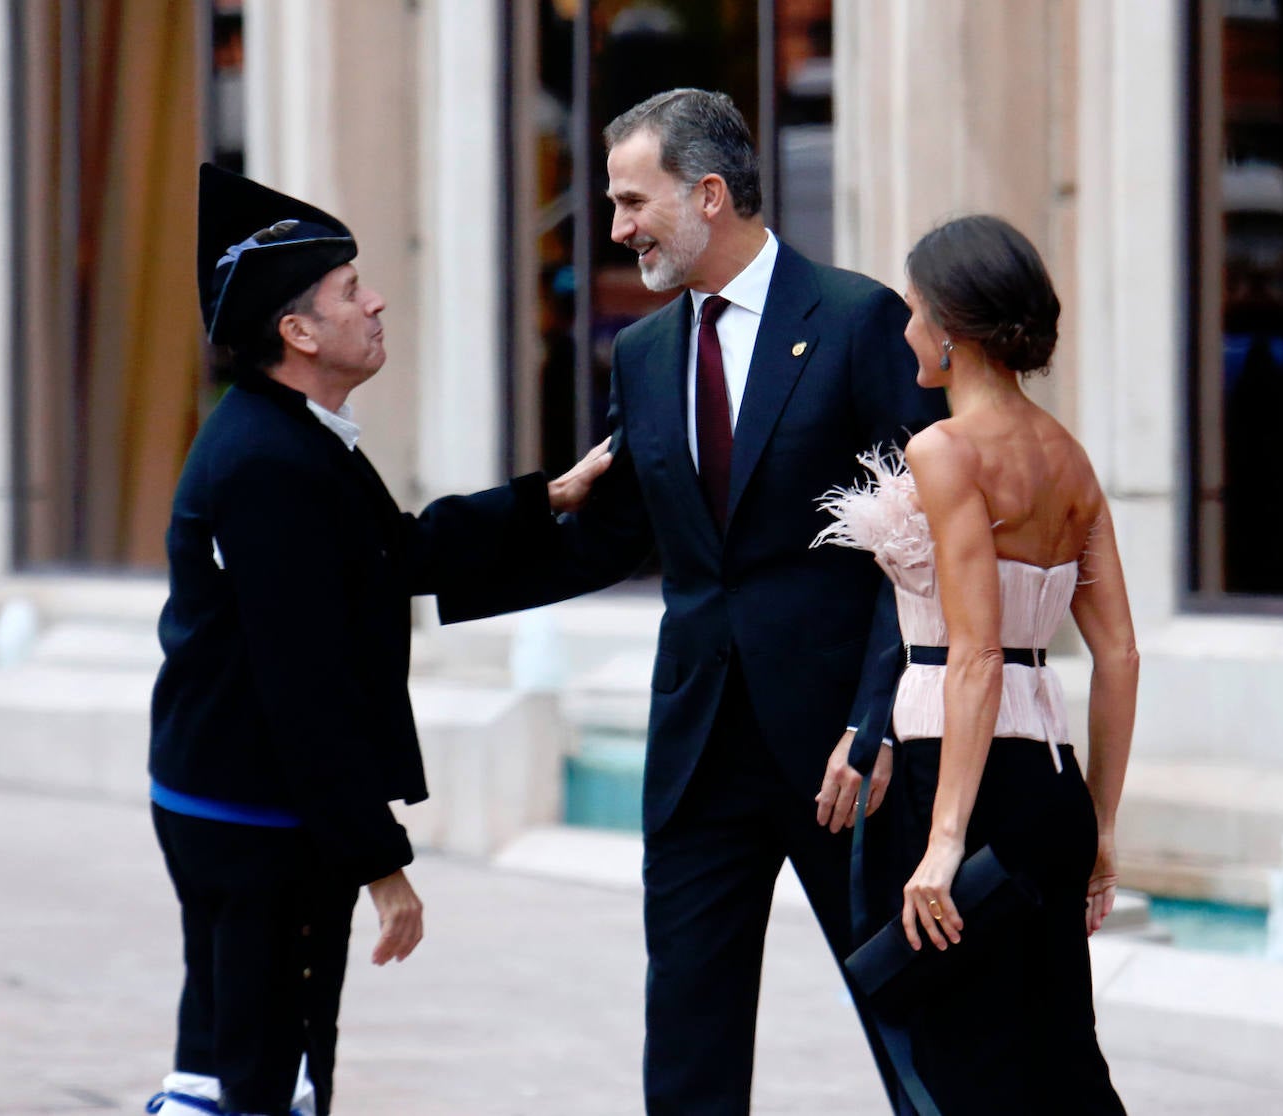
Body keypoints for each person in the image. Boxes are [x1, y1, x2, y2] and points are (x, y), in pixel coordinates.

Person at [438, 89, 946, 1114]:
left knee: (918, 1023)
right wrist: (411, 570)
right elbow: (617, 536)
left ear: (709, 195)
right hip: (700, 749)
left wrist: (874, 717)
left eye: (633, 200)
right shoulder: (644, 352)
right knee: (688, 1039)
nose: (618, 227)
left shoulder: (857, 323)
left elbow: (926, 551)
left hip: (844, 756)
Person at [145, 164, 607, 1116]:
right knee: (267, 1070)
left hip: (235, 798)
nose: (377, 300)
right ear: (298, 331)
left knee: (234, 1053)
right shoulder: (269, 462)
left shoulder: (294, 434)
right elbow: (304, 687)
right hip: (253, 814)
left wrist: (542, 501)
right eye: (351, 290)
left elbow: (390, 551)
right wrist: (381, 864)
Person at [815, 213, 1137, 1114]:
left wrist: (944, 840)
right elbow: (1119, 653)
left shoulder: (944, 450)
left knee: (965, 1064)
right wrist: (1101, 824)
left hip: (953, 776)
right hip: (1051, 785)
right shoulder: (1070, 459)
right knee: (1062, 1058)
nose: (908, 327)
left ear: (951, 326)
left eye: (916, 309)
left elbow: (976, 653)